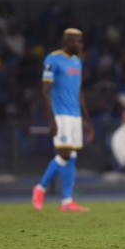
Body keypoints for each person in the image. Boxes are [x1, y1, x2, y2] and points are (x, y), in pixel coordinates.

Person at [32, 28, 95, 212]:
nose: (81, 45)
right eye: (78, 41)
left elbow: (79, 92)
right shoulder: (53, 59)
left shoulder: (77, 62)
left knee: (72, 155)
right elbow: (46, 91)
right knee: (65, 154)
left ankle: (67, 201)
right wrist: (51, 119)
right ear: (68, 41)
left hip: (75, 115)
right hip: (61, 114)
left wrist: (87, 120)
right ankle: (40, 187)